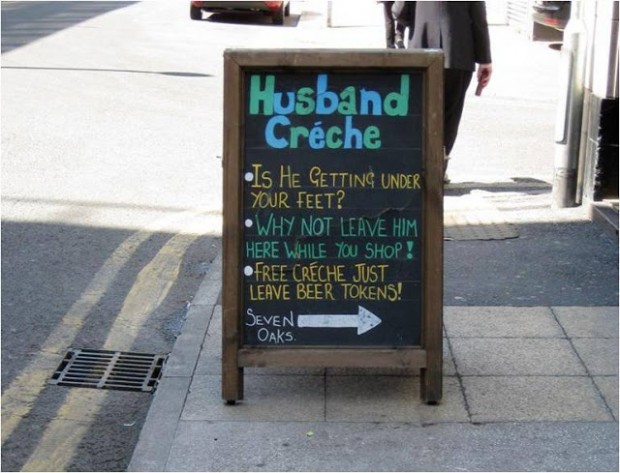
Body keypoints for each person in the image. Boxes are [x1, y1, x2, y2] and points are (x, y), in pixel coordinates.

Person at [393, 1, 493, 182]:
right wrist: (484, 59)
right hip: (457, 52)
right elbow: (478, 18)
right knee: (450, 115)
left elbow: (399, 11)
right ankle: (438, 167)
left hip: (421, 50)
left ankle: (417, 166)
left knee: (420, 112)